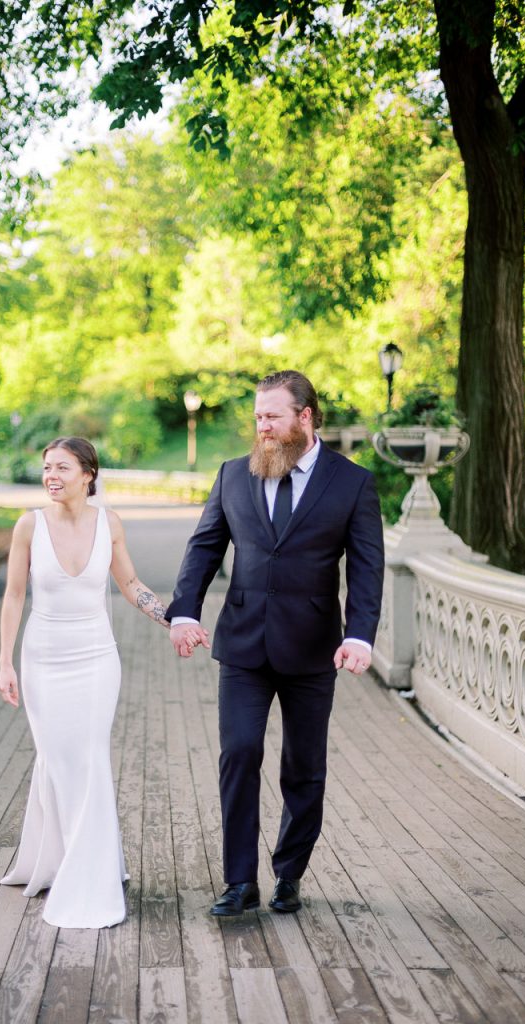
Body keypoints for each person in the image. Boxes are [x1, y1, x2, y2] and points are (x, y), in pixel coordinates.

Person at [167, 370, 384, 917]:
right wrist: (184, 612)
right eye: (258, 416)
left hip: (313, 649)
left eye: (272, 416)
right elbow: (204, 548)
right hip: (242, 645)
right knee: (239, 753)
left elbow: (367, 567)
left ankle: (289, 872)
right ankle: (240, 881)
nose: (261, 426)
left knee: (304, 766)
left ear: (304, 417)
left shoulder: (352, 483)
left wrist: (359, 634)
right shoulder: (233, 475)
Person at [0, 437, 190, 929]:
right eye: (46, 468)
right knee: (58, 758)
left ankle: (90, 871)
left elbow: (131, 586)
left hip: (97, 660)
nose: (51, 475)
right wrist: (5, 662)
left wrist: (176, 619)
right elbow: (14, 596)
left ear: (88, 473)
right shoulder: (28, 526)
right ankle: (54, 857)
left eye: (62, 467)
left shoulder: (110, 523)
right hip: (43, 661)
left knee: (87, 758)